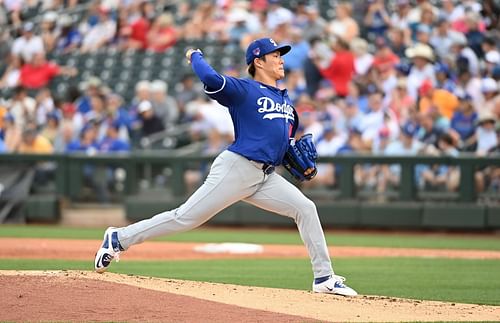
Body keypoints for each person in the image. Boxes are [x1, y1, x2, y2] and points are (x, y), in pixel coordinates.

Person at [94, 37, 357, 297]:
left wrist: (295, 158)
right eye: (275, 55)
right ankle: (118, 238)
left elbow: (283, 144)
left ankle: (324, 277)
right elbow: (210, 78)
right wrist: (194, 55)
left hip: (265, 176)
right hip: (237, 167)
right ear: (258, 61)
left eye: (280, 55)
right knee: (185, 218)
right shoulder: (244, 90)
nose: (281, 59)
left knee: (306, 208)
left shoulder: (287, 104)